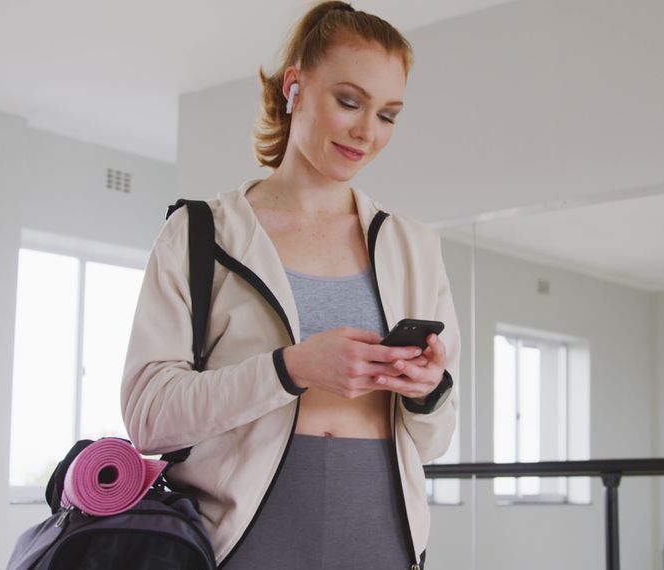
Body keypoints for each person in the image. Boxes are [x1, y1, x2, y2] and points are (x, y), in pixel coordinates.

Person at [120, 2, 459, 568]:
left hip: (383, 542)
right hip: (242, 542)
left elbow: (434, 443)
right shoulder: (200, 234)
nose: (366, 132)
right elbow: (150, 417)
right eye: (348, 102)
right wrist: (291, 369)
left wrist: (425, 392)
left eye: (388, 114)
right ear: (295, 85)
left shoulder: (416, 248)